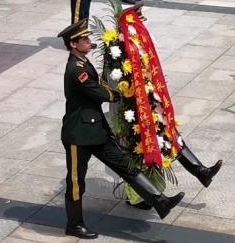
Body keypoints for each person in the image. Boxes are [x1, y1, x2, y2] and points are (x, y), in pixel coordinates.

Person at [57, 18, 184, 238]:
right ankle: (74, 225)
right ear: (73, 44)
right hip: (79, 135)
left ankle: (160, 201)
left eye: (87, 38)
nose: (88, 41)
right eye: (84, 39)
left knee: (125, 165)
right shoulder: (76, 70)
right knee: (76, 181)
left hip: (96, 131)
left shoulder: (83, 62)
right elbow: (99, 92)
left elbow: (101, 83)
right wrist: (121, 94)